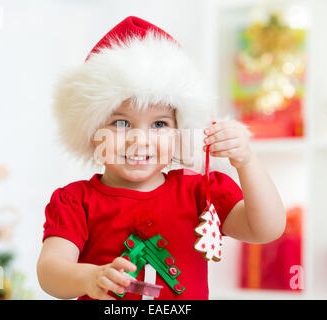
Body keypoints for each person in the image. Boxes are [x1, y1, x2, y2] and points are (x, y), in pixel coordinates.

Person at [37, 16, 285, 300]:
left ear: (180, 132)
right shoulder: (76, 201)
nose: (139, 139)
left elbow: (267, 228)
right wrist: (89, 277)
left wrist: (246, 161)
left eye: (159, 125)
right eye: (120, 123)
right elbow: (50, 271)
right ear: (91, 130)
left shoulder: (200, 191)